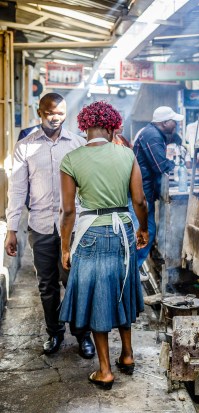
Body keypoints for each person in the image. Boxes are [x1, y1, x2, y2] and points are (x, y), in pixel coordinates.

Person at [58, 101, 149, 390]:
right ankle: (128, 355)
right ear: (111, 127)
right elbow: (140, 201)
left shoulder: (71, 160)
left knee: (99, 296)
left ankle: (105, 371)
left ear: (85, 127)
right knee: (121, 289)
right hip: (122, 231)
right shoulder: (127, 154)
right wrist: (143, 229)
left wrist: (64, 246)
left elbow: (69, 211)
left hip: (90, 235)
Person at [5, 92, 95, 358]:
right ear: (40, 113)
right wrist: (11, 229)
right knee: (47, 284)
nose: (55, 118)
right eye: (50, 113)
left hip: (76, 228)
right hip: (41, 227)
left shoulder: (79, 144)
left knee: (76, 282)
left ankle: (82, 335)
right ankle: (54, 333)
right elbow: (17, 189)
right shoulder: (26, 146)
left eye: (60, 113)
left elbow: (89, 186)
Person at [130, 106, 182, 268]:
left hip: (145, 190)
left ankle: (135, 266)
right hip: (142, 191)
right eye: (174, 122)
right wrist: (178, 166)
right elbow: (160, 166)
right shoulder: (152, 136)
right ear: (165, 123)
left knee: (147, 229)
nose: (176, 125)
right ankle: (134, 267)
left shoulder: (152, 133)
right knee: (147, 230)